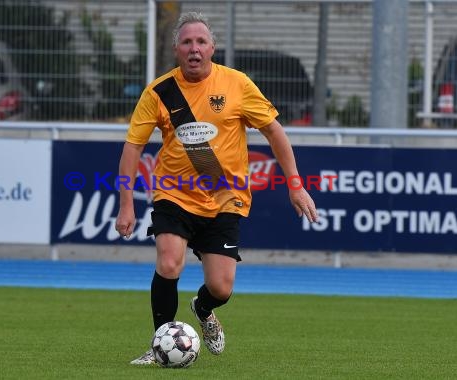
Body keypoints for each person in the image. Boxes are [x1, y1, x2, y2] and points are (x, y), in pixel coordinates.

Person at [115, 11, 318, 365]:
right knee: (169, 262)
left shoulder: (237, 84)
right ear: (177, 49)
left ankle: (203, 308)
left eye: (201, 42)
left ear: (213, 47)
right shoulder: (159, 91)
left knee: (222, 288)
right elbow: (133, 147)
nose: (194, 48)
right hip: (174, 194)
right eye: (187, 42)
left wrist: (296, 186)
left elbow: (274, 132)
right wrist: (126, 203)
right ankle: (160, 343)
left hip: (226, 199)